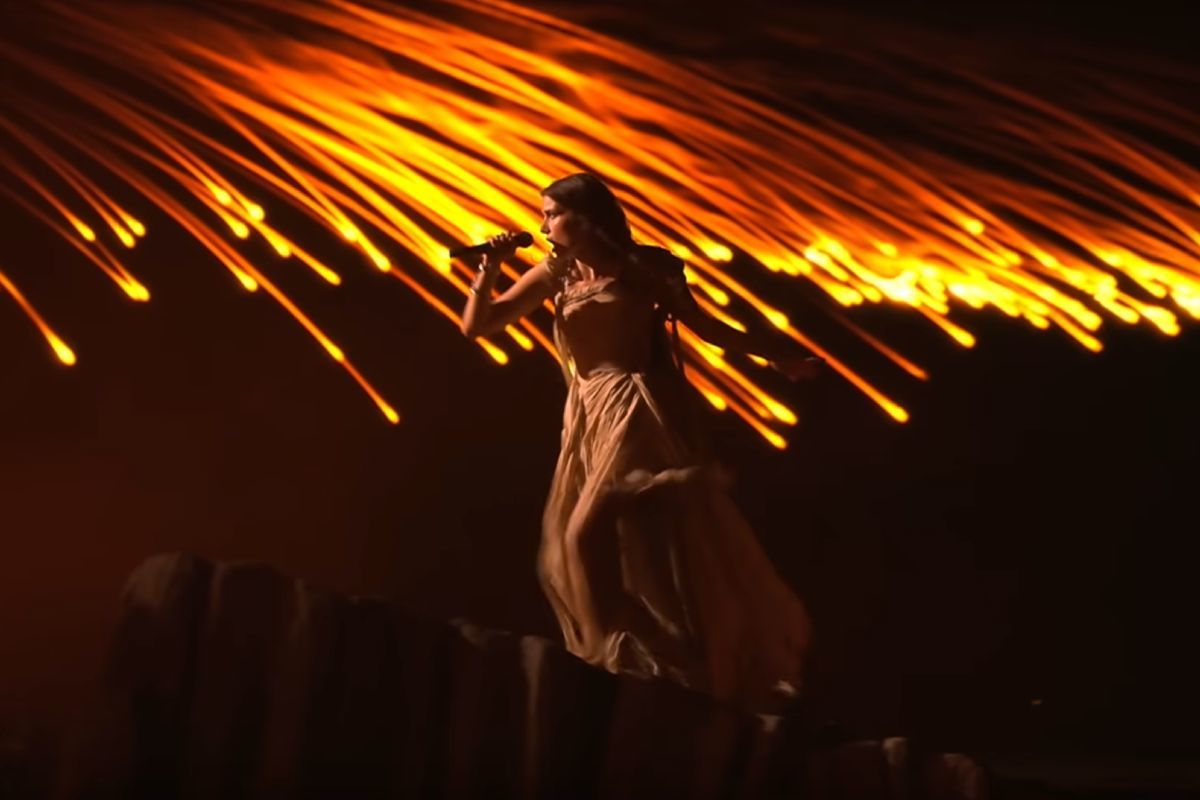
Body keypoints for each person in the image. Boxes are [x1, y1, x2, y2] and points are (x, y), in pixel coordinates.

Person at [460, 172, 819, 712]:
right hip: (586, 414)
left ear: (587, 217)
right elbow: (479, 326)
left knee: (581, 537)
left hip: (632, 404)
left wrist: (775, 355)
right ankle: (662, 655)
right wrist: (488, 268)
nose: (543, 225)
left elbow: (705, 327)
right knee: (596, 553)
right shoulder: (556, 273)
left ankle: (619, 659)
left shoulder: (643, 267)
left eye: (553, 213)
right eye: (543, 214)